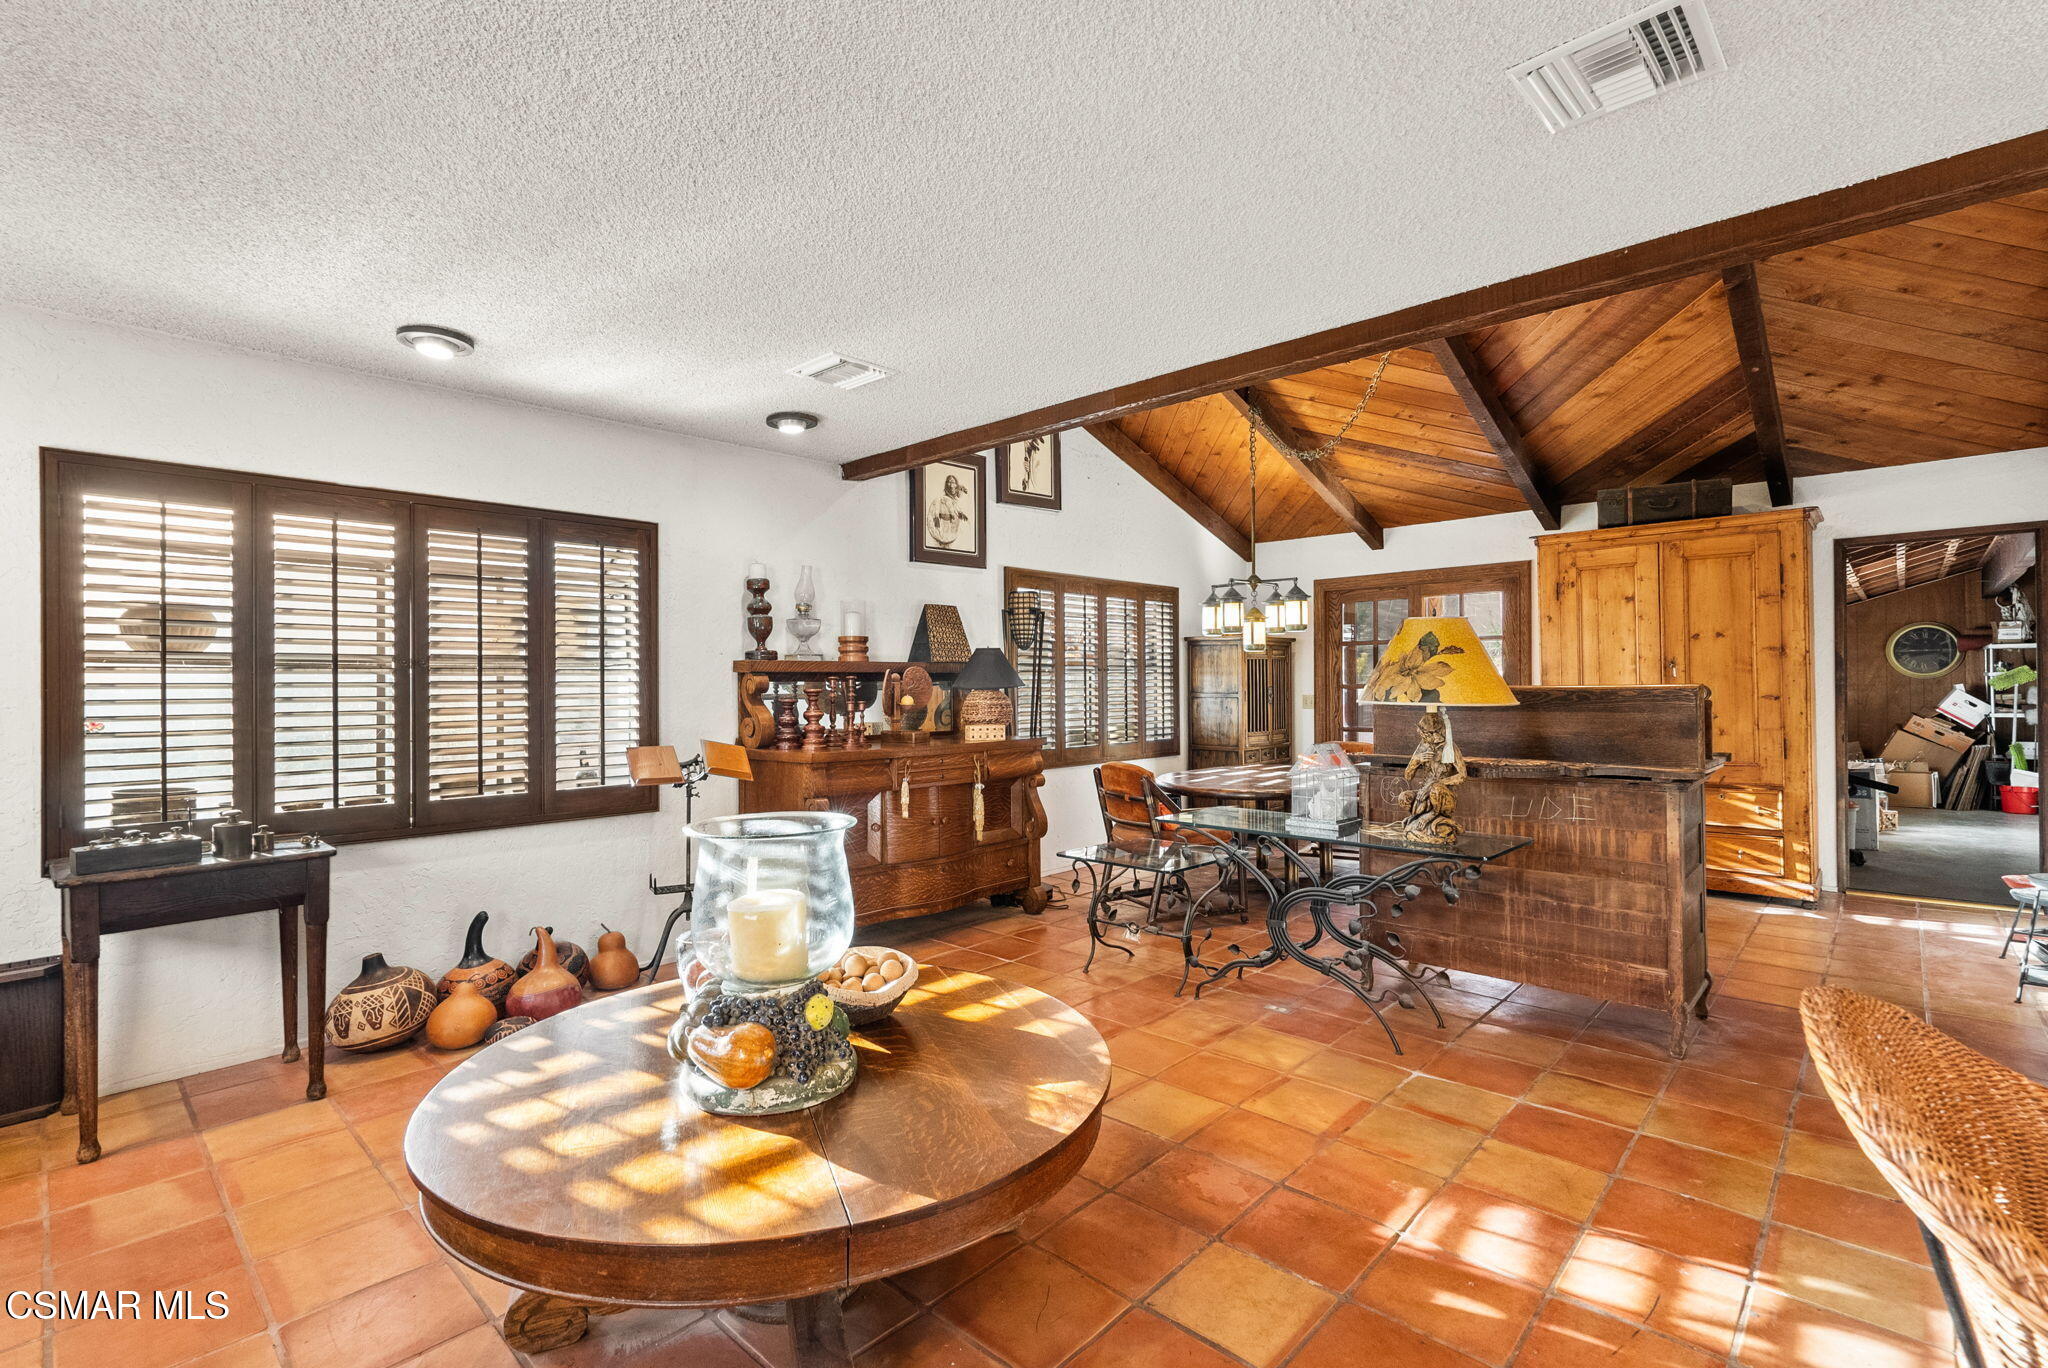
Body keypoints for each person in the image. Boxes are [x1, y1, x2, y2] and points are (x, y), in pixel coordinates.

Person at [927, 473, 971, 548]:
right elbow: (933, 517)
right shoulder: (939, 500)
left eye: (953, 482)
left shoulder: (958, 503)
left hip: (954, 537)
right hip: (940, 534)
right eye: (949, 482)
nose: (951, 485)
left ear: (956, 485)